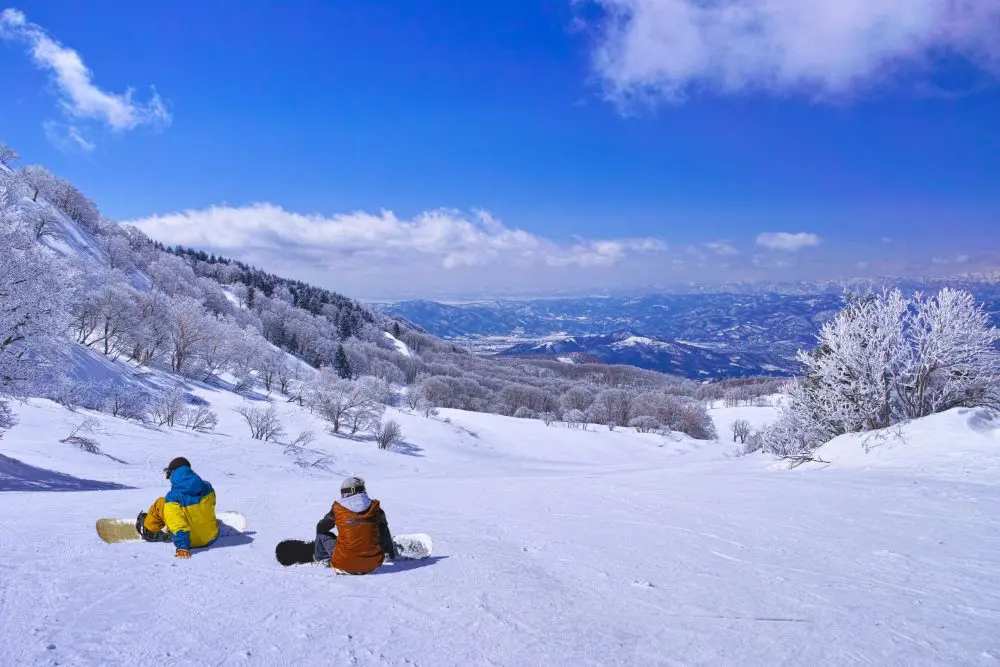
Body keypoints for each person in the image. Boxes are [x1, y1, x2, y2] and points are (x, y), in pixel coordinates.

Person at [135, 457, 219, 559]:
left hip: (189, 543)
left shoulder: (173, 497)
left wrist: (182, 546)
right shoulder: (207, 487)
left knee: (161, 503)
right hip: (211, 537)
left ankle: (148, 529)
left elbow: (177, 521)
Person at [314, 476, 396, 574]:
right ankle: (388, 555)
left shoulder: (338, 508)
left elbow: (322, 527)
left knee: (321, 533)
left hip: (344, 564)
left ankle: (323, 559)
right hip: (373, 565)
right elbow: (384, 530)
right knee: (382, 527)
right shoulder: (375, 507)